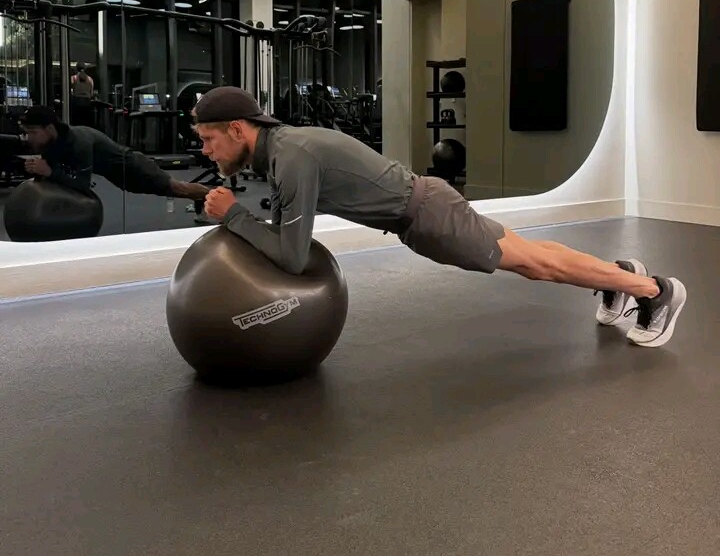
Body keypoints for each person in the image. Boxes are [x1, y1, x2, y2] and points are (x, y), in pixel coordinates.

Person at [194, 87, 686, 349]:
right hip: (427, 207)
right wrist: (238, 216)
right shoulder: (282, 153)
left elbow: (291, 257)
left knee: (537, 266)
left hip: (429, 216)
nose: (206, 150)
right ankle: (620, 276)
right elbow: (282, 235)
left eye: (209, 139)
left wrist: (233, 214)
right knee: (534, 254)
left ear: (237, 129)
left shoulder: (292, 158)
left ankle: (654, 291)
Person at [20, 106, 208, 203]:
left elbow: (83, 185)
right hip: (122, 179)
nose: (30, 138)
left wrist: (49, 172)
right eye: (27, 133)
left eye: (33, 132)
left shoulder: (78, 141)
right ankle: (206, 201)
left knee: (180, 189)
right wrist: (38, 169)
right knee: (180, 191)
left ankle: (217, 196)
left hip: (135, 168)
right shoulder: (52, 142)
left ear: (50, 128)